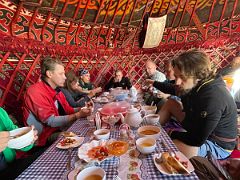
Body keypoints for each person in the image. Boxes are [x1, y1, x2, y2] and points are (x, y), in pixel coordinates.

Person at [158, 49, 237, 160]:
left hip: (217, 144)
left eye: (182, 77)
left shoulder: (213, 97)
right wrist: (153, 83)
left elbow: (197, 140)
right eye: (176, 76)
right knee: (171, 102)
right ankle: (155, 129)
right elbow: (172, 89)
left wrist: (171, 133)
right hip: (195, 125)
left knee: (170, 146)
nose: (177, 82)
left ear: (198, 75)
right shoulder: (197, 83)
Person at [22, 57, 92, 147]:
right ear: (49, 74)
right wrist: (78, 115)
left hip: (57, 129)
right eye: (61, 74)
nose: (65, 77)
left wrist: (83, 108)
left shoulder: (57, 90)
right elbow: (50, 121)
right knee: (76, 139)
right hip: (42, 137)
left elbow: (69, 110)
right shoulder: (35, 92)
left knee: (86, 130)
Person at [0, 108, 38, 179]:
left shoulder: (1, 112)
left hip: (10, 164)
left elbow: (15, 134)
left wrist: (28, 139)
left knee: (38, 161)